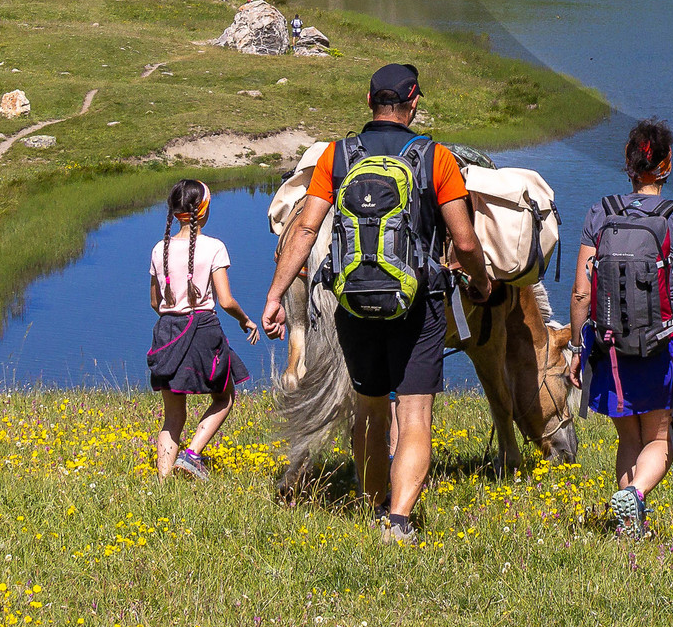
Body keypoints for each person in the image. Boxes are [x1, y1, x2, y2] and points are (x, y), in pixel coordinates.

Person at [261, 63, 490, 541]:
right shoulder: (435, 158)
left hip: (353, 303)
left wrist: (276, 294)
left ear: (369, 102)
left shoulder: (337, 156)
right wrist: (481, 283)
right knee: (414, 413)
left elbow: (305, 229)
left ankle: (372, 506)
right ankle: (399, 520)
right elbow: (465, 242)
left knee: (368, 410)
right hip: (418, 306)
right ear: (413, 104)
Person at [568, 119, 673, 538]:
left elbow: (580, 293)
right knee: (661, 439)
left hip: (608, 346)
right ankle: (638, 496)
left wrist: (578, 348)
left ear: (628, 165)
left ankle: (629, 527)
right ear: (667, 164)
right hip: (660, 344)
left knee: (628, 436)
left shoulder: (601, 212)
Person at [147, 181, 259, 479]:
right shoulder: (214, 247)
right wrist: (245, 320)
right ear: (204, 210)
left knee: (172, 416)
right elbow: (225, 300)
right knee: (224, 398)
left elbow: (155, 302)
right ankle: (192, 455)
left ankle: (162, 483)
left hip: (167, 332)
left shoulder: (160, 249)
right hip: (203, 331)